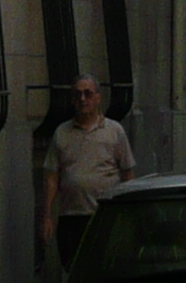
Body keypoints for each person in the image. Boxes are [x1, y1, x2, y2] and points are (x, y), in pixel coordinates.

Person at [42, 76, 136, 270]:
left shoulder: (114, 131)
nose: (83, 99)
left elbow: (128, 174)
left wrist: (130, 215)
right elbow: (52, 177)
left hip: (103, 216)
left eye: (88, 94)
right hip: (71, 217)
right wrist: (47, 216)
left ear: (98, 98)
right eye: (77, 95)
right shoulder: (62, 132)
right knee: (73, 269)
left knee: (103, 269)